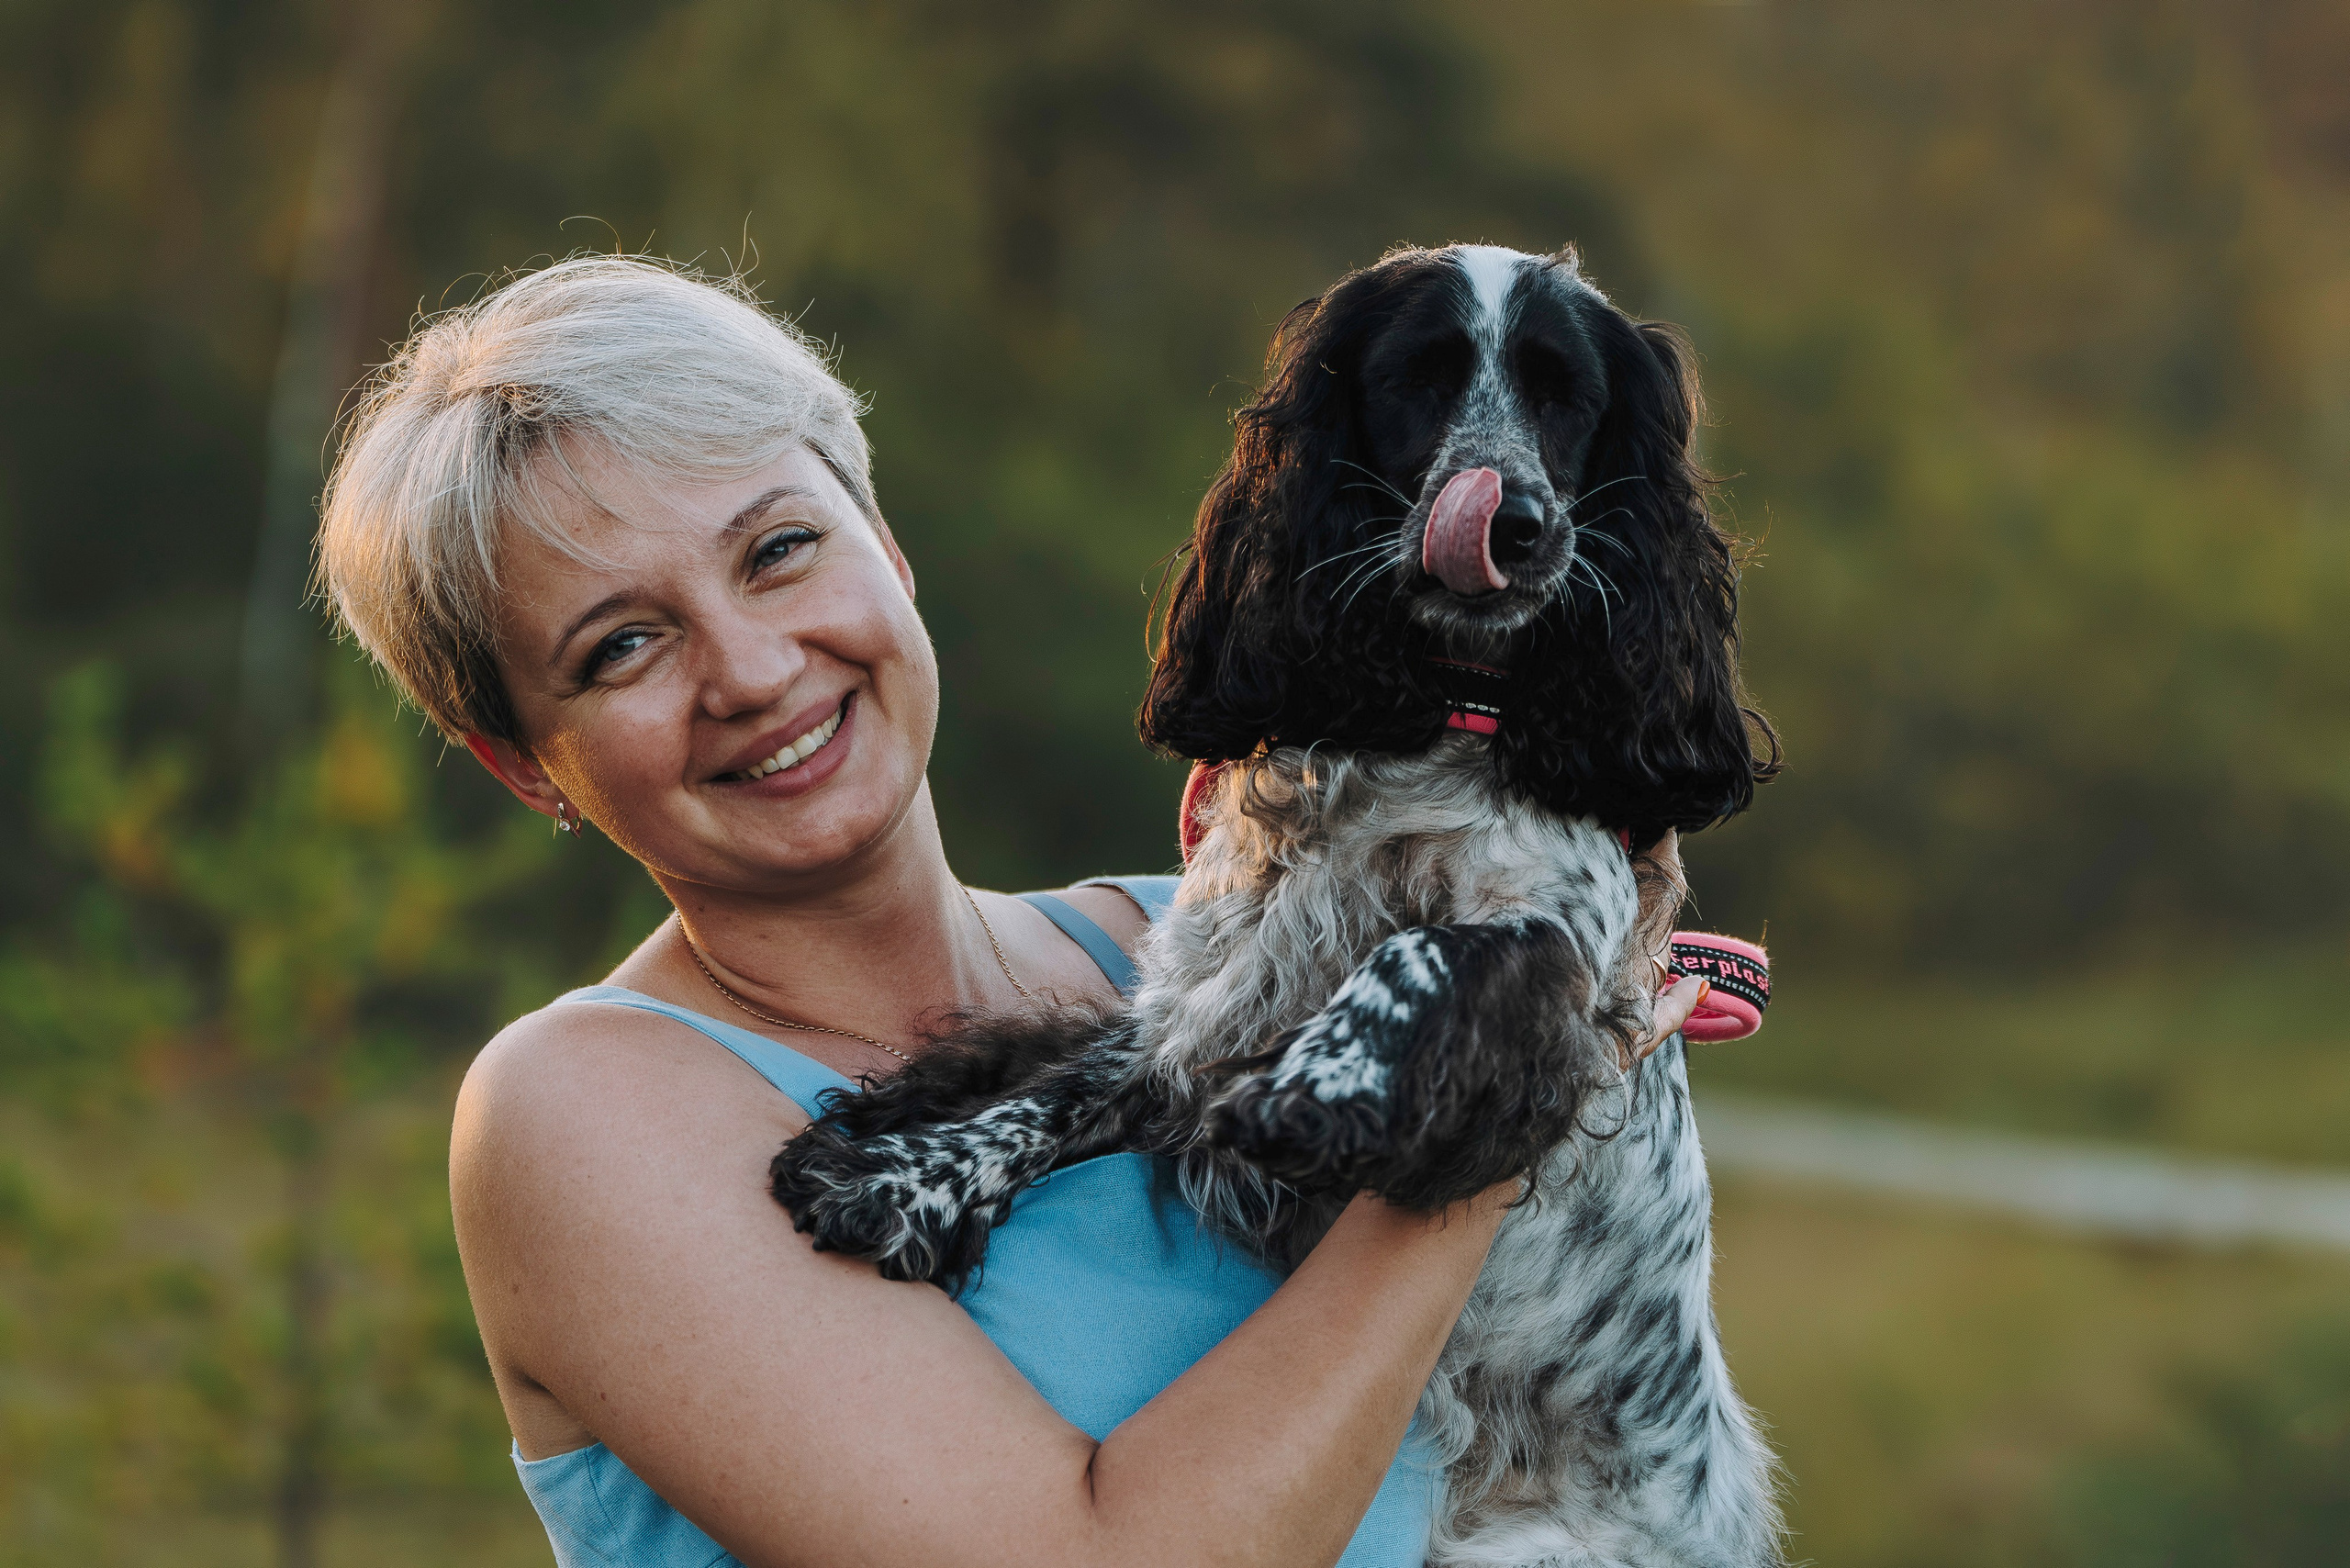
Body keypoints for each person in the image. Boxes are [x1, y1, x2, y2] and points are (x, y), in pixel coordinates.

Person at [317, 255, 1705, 1568]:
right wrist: (1501, 1089)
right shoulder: (583, 1114)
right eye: (622, 645)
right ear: (520, 763)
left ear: (888, 547)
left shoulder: (1185, 936)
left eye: (780, 550)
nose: (746, 669)